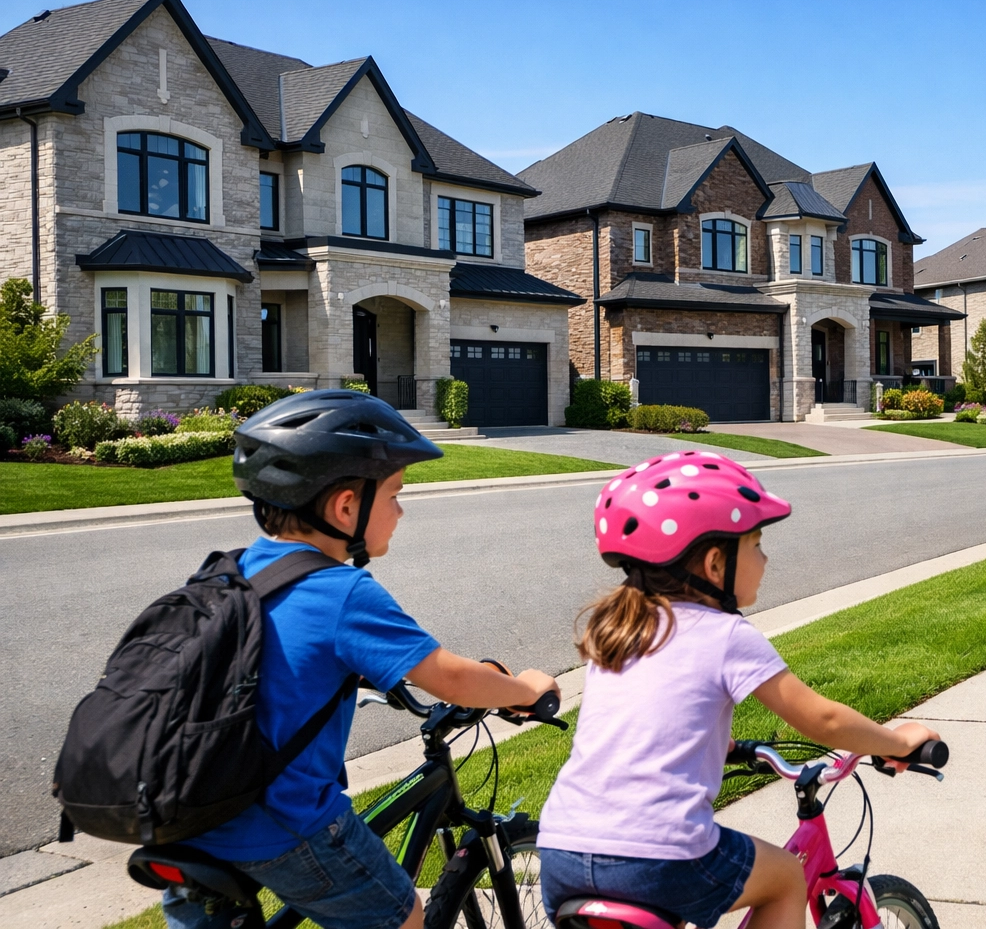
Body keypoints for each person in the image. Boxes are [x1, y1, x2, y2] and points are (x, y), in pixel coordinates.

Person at [163, 390, 559, 929]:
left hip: (188, 818)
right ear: (346, 506)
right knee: (406, 918)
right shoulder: (340, 590)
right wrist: (527, 689)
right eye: (395, 492)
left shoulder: (229, 571)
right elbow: (450, 678)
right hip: (286, 825)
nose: (401, 508)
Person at [538, 453, 939, 929]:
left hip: (562, 849)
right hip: (662, 858)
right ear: (714, 563)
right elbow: (822, 720)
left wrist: (714, 745)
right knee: (787, 877)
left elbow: (642, 717)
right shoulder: (727, 635)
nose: (765, 559)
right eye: (756, 544)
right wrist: (898, 741)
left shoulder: (620, 625)